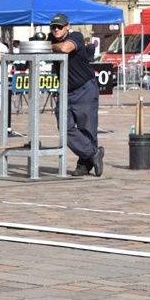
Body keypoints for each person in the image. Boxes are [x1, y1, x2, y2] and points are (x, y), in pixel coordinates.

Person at [49, 13, 104, 177]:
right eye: (54, 27)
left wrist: (49, 46)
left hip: (84, 88)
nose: (56, 29)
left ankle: (84, 164)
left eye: (60, 26)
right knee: (64, 128)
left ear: (67, 26)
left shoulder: (76, 36)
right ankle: (93, 154)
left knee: (87, 128)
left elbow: (66, 48)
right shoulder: (50, 38)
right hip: (65, 90)